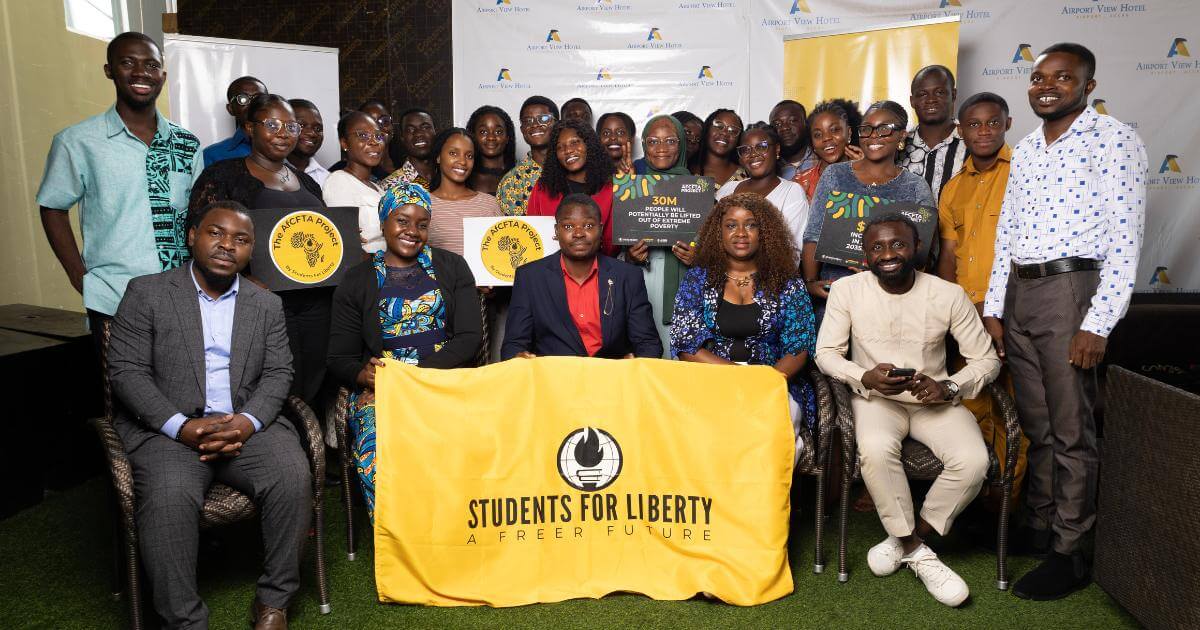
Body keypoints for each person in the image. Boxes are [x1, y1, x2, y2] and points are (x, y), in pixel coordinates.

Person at [982, 43, 1148, 601]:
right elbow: (1007, 229)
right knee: (1039, 424)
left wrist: (1098, 322)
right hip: (1022, 290)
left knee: (1073, 426)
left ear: (1087, 85)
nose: (1046, 85)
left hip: (1073, 289)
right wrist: (995, 307)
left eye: (1061, 77)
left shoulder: (1114, 139)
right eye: (1037, 77)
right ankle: (1042, 522)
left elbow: (1126, 242)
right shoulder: (1026, 149)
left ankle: (1071, 550)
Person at [108, 201, 310, 629]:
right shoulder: (147, 293)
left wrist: (245, 422)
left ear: (251, 249)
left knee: (292, 473)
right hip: (168, 432)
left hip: (245, 427)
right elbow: (126, 373)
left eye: (240, 239)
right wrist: (181, 427)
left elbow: (279, 372)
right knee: (167, 495)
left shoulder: (265, 304)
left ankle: (274, 602)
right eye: (216, 233)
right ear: (192, 236)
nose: (226, 245)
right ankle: (184, 620)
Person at [815, 213, 999, 608]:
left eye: (898, 244)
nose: (888, 254)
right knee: (876, 450)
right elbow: (826, 354)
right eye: (877, 247)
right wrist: (865, 376)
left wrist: (948, 385)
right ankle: (919, 554)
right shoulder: (847, 290)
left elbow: (987, 360)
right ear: (865, 255)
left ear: (916, 248)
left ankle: (907, 538)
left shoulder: (947, 294)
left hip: (933, 400)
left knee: (972, 461)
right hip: (878, 400)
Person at [37, 32, 203, 351]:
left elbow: (199, 216)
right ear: (109, 70)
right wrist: (79, 276)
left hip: (184, 296)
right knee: (122, 397)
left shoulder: (187, 143)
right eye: (127, 62)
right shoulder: (78, 142)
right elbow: (53, 207)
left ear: (162, 76)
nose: (141, 73)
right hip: (115, 297)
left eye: (151, 65)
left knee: (184, 393)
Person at [327, 182, 482, 520]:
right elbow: (338, 357)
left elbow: (470, 338)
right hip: (382, 389)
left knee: (474, 447)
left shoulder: (453, 267)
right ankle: (402, 548)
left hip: (444, 381)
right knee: (379, 454)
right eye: (402, 221)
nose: (412, 231)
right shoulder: (357, 280)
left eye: (422, 224)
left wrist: (413, 377)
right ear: (384, 222)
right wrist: (361, 375)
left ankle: (460, 538)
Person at [189, 94, 330, 406]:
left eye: (291, 126)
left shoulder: (308, 183)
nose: (284, 133)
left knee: (316, 380)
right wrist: (243, 281)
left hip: (316, 300)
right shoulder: (223, 176)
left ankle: (314, 449)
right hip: (260, 301)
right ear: (250, 128)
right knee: (277, 382)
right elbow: (200, 238)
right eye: (273, 124)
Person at [935, 92, 1030, 513]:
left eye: (993, 122)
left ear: (1008, 123)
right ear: (961, 130)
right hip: (965, 315)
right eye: (974, 124)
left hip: (1014, 312)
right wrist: (947, 312)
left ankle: (1007, 505)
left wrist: (999, 312)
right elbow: (949, 257)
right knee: (970, 408)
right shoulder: (954, 189)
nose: (984, 131)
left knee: (1016, 412)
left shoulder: (1028, 173)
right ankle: (974, 501)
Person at [671, 193, 817, 457]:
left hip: (773, 381)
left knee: (771, 445)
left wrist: (766, 382)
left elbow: (800, 346)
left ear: (765, 232)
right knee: (710, 443)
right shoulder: (697, 280)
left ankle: (765, 498)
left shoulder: (788, 282)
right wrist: (741, 380)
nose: (741, 233)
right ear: (719, 232)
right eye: (731, 225)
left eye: (751, 224)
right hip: (713, 382)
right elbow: (686, 343)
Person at [801, 101, 934, 308]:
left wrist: (882, 270)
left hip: (893, 299)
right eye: (867, 129)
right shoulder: (835, 175)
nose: (874, 136)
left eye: (884, 129)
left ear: (902, 136)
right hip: (836, 293)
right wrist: (810, 282)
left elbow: (922, 253)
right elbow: (813, 233)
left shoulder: (915, 186)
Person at [502, 194, 661, 360]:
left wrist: (635, 366)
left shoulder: (628, 276)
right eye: (569, 226)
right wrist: (519, 359)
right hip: (554, 380)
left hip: (613, 379)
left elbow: (648, 343)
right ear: (557, 231)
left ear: (600, 229)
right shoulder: (530, 277)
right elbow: (513, 345)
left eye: (588, 225)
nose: (578, 233)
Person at [621, 115, 698, 356]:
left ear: (682, 145)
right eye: (653, 141)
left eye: (670, 141)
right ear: (644, 146)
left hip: (687, 284)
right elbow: (615, 246)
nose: (661, 148)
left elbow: (719, 253)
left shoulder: (700, 190)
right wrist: (631, 257)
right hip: (642, 279)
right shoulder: (631, 186)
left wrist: (700, 258)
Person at [715, 122, 811, 257]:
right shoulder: (727, 189)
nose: (753, 154)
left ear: (777, 150)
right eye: (745, 149)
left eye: (761, 147)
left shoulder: (791, 192)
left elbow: (791, 250)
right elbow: (710, 239)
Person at [524, 119, 619, 256]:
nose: (568, 150)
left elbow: (615, 243)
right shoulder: (543, 189)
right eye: (560, 147)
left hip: (603, 268)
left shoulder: (612, 187)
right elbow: (533, 236)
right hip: (552, 270)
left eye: (575, 142)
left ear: (588, 144)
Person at [427, 127, 502, 255]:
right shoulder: (423, 204)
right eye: (453, 153)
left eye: (469, 156)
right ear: (438, 157)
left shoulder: (490, 204)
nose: (462, 161)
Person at [899, 65, 968, 205]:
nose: (931, 99)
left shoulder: (973, 142)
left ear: (953, 94)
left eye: (940, 92)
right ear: (912, 101)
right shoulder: (898, 144)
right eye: (923, 94)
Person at [322, 112, 386, 254]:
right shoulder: (338, 181)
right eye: (363, 135)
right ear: (344, 143)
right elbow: (346, 243)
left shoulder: (377, 188)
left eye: (378, 136)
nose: (374, 142)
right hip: (367, 270)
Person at [497, 95, 558, 216]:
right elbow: (516, 232)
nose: (535, 124)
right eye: (528, 121)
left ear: (557, 123)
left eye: (544, 118)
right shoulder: (511, 182)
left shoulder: (573, 167)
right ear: (522, 129)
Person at [794, 99, 863, 200]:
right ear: (812, 142)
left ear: (849, 133)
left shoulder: (872, 175)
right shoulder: (800, 184)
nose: (826, 138)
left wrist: (866, 173)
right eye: (818, 135)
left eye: (834, 130)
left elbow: (884, 211)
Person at [202, 75, 267, 168]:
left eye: (259, 98)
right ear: (231, 109)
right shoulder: (212, 155)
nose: (253, 104)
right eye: (243, 99)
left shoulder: (285, 146)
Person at [380, 108, 437, 189]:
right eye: (410, 130)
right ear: (402, 138)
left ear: (435, 132)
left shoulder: (449, 176)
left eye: (425, 127)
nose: (418, 133)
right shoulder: (390, 186)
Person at [466, 105, 516, 196]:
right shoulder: (462, 175)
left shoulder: (520, 175)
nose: (491, 137)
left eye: (498, 132)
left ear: (507, 138)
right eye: (483, 132)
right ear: (472, 136)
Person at [689, 109, 747, 186]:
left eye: (733, 131)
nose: (724, 133)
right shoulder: (688, 171)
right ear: (707, 129)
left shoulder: (746, 175)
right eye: (719, 126)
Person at [286, 98, 330, 187]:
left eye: (318, 128)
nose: (312, 133)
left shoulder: (328, 179)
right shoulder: (267, 172)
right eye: (301, 125)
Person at [769, 99, 816, 181]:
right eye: (777, 124)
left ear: (806, 123)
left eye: (792, 121)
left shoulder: (823, 159)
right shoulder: (768, 168)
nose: (785, 128)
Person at [361, 99, 398, 175]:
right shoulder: (353, 171)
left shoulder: (405, 164)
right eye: (370, 122)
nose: (378, 128)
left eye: (384, 121)